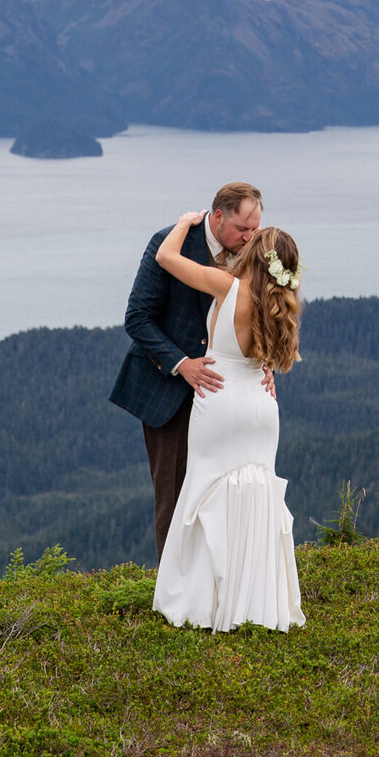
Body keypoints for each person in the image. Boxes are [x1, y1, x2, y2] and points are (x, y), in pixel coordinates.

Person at [151, 211, 305, 632]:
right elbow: (268, 361)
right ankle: (256, 602)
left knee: (206, 492)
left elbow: (166, 258)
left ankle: (205, 602)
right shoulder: (281, 304)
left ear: (256, 254)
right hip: (262, 405)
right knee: (258, 498)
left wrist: (184, 223)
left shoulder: (230, 287)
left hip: (220, 400)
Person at [109, 182, 265, 559]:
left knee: (223, 490)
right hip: (170, 392)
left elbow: (256, 316)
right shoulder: (170, 242)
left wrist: (263, 362)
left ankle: (216, 578)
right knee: (176, 495)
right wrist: (182, 365)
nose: (249, 238)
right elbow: (137, 319)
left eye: (255, 229)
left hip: (225, 397)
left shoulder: (252, 252)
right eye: (242, 229)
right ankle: (172, 590)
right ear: (217, 217)